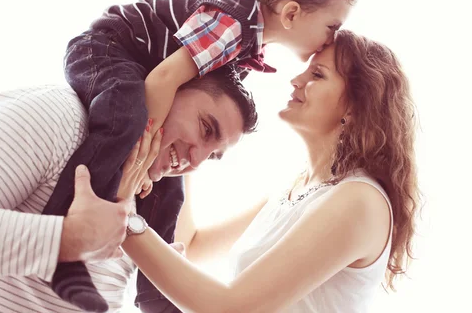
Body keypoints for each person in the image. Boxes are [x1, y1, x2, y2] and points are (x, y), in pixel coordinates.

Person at [45, 0, 355, 311]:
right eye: (332, 26)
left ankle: (157, 301)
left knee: (171, 194)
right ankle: (59, 241)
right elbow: (161, 82)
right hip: (108, 49)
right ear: (291, 13)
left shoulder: (245, 48)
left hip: (139, 73)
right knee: (125, 119)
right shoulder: (233, 25)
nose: (332, 37)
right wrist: (141, 161)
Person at [104, 29, 421, 312]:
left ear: (353, 108)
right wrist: (182, 138)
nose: (297, 80)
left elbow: (231, 308)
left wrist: (121, 215)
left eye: (318, 75)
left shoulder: (359, 202)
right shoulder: (294, 191)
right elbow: (195, 244)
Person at [0, 65, 257, 313]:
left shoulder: (147, 193)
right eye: (205, 128)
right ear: (170, 85)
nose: (196, 160)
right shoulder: (58, 115)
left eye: (212, 157)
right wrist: (67, 238)